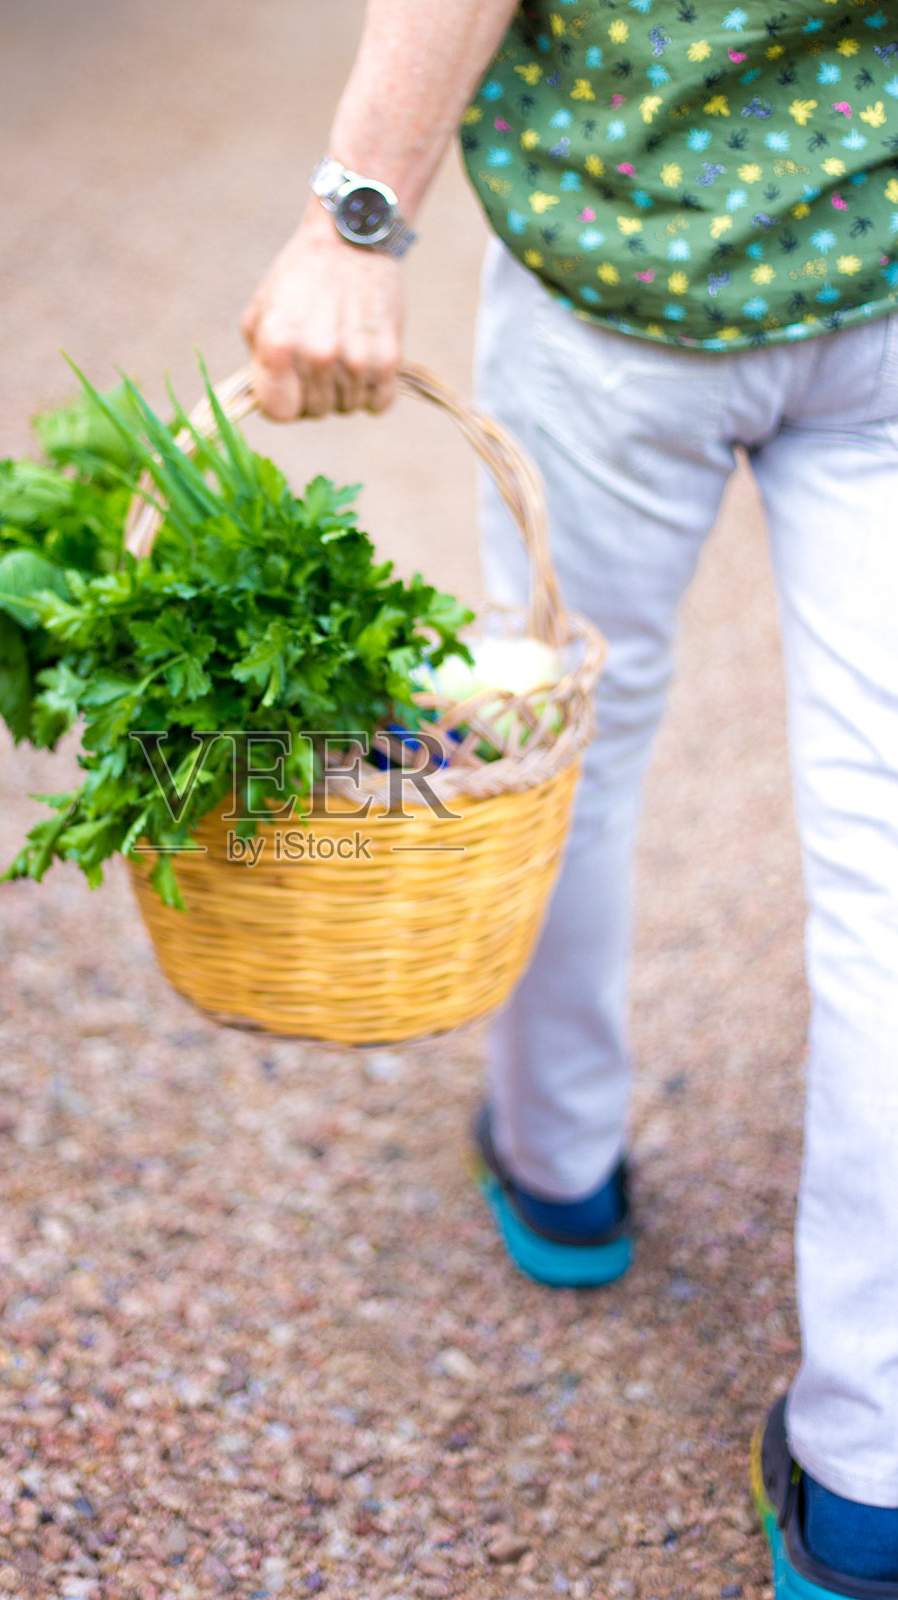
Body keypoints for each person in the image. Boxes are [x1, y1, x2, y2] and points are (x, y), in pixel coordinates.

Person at [240, 2, 898, 1594]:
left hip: (618, 269)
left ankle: (560, 1162)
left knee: (556, 750)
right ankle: (874, 1466)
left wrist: (357, 216)